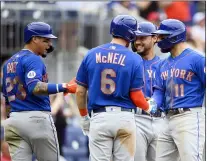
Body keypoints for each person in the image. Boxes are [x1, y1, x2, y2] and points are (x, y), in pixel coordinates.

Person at [75, 15, 157, 161]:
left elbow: (80, 91)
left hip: (99, 117)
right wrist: (149, 107)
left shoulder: (91, 53)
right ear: (129, 33)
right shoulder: (134, 58)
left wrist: (83, 117)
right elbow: (137, 96)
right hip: (125, 118)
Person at [1, 22, 77, 161]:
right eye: (45, 40)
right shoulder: (33, 59)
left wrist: (10, 120)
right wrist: (63, 86)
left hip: (13, 121)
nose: (49, 45)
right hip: (36, 119)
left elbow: (6, 98)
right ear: (34, 38)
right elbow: (35, 87)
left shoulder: (8, 63)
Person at [152, 19, 205, 161]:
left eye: (163, 36)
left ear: (175, 36)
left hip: (189, 117)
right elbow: (159, 91)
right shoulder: (162, 64)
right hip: (167, 119)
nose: (159, 40)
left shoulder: (197, 59)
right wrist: (153, 103)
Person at [131, 21, 165, 161]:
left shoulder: (164, 64)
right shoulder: (130, 62)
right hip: (136, 118)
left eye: (142, 38)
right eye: (135, 38)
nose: (137, 42)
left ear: (155, 38)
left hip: (160, 119)